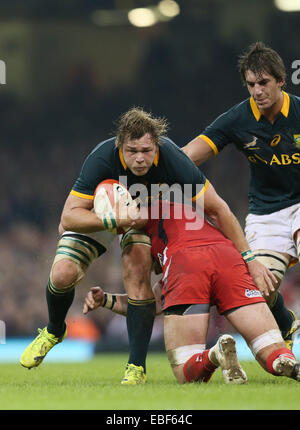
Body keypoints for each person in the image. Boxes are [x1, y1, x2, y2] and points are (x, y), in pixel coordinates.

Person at [20, 107, 273, 385]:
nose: (140, 158)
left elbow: (218, 209)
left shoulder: (172, 158)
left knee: (138, 267)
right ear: (119, 146)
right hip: (102, 215)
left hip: (140, 218)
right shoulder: (102, 158)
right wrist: (114, 218)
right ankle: (55, 330)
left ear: (156, 145)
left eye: (146, 150)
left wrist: (249, 257)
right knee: (63, 274)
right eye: (132, 151)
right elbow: (67, 218)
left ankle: (135, 368)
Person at [83, 199, 300, 384]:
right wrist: (106, 300)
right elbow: (156, 301)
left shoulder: (140, 221)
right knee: (269, 346)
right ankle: (283, 359)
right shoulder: (187, 208)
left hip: (186, 264)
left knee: (184, 369)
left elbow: (146, 304)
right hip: (228, 257)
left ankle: (215, 354)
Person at [183, 41, 300, 349]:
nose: (257, 91)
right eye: (251, 84)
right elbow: (188, 156)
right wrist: (152, 169)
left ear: (280, 81)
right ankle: (286, 322)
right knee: (260, 288)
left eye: (263, 83)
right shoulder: (237, 119)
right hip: (267, 214)